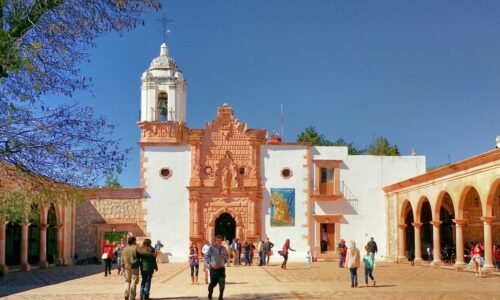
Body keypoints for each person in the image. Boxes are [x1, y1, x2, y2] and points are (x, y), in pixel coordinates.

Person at [206, 235, 229, 300]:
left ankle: (220, 297)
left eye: (220, 240)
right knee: (213, 284)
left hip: (221, 269)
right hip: (213, 270)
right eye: (217, 240)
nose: (219, 242)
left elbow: (227, 256)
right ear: (215, 241)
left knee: (222, 285)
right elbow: (206, 257)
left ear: (221, 241)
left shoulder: (224, 248)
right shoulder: (211, 248)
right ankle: (210, 294)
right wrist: (210, 264)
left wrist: (225, 257)